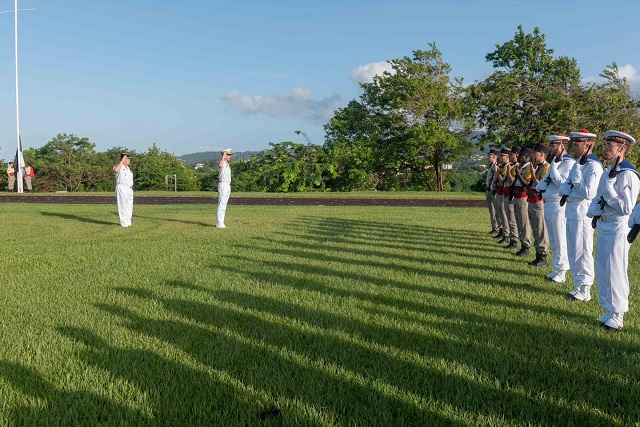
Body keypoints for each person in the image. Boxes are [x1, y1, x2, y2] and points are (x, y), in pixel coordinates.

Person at [587, 131, 639, 330]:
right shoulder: (609, 170)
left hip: (618, 227)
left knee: (616, 271)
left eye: (610, 145)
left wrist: (609, 190)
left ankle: (618, 316)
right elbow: (601, 197)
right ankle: (609, 310)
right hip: (605, 223)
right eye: (606, 144)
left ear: (622, 149)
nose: (605, 147)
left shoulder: (628, 174)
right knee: (603, 269)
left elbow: (626, 207)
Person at [560, 129, 603, 301]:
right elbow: (565, 187)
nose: (573, 147)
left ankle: (585, 289)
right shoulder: (580, 163)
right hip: (572, 210)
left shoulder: (593, 166)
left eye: (577, 144)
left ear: (588, 145)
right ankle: (578, 285)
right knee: (573, 250)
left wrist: (577, 176)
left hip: (583, 212)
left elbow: (589, 192)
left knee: (583, 251)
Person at [536, 134, 574, 282]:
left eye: (554, 145)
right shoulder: (555, 161)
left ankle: (562, 271)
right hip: (549, 202)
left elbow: (563, 185)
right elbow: (545, 182)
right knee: (553, 238)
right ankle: (557, 268)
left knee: (560, 239)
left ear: (562, 145)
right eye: (551, 145)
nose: (551, 148)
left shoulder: (569, 163)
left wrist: (554, 171)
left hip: (559, 204)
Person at [526, 144, 551, 266]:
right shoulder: (538, 167)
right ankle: (538, 253)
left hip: (538, 201)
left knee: (541, 229)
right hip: (531, 200)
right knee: (535, 228)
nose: (533, 155)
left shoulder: (546, 167)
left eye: (535, 152)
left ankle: (543, 256)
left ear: (541, 153)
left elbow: (541, 185)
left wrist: (533, 174)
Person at [511, 147, 532, 257]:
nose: (518, 157)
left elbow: (526, 183)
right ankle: (522, 244)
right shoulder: (521, 166)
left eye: (521, 155)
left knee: (524, 223)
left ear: (527, 156)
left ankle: (526, 246)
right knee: (519, 222)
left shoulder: (529, 167)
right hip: (517, 196)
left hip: (523, 198)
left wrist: (518, 174)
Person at [503, 147, 520, 249]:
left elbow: (512, 181)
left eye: (512, 154)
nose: (510, 156)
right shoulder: (512, 166)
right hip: (508, 194)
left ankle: (514, 240)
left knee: (513, 220)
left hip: (514, 196)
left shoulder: (516, 167)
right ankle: (512, 238)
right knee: (510, 219)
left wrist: (509, 171)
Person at [494, 148, 511, 244]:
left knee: (505, 215)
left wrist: (497, 172)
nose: (500, 157)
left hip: (505, 193)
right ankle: (504, 232)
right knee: (501, 214)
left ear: (507, 157)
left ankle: (506, 234)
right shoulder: (503, 166)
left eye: (502, 156)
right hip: (500, 192)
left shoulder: (507, 167)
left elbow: (502, 181)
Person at [114, 153, 134, 228]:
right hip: (121, 187)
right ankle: (123, 223)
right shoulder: (118, 166)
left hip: (129, 188)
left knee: (129, 206)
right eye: (128, 158)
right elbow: (116, 170)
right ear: (124, 159)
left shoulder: (128, 169)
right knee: (122, 205)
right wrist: (122, 161)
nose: (129, 160)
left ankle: (128, 221)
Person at [216, 148, 233, 228]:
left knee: (224, 204)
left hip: (227, 184)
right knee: (221, 204)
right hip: (223, 184)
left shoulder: (227, 164)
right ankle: (219, 223)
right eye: (228, 155)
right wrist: (223, 156)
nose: (230, 156)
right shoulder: (222, 163)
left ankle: (221, 222)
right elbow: (220, 165)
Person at [486, 148, 500, 235]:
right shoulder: (491, 165)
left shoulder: (495, 166)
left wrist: (492, 189)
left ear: (494, 156)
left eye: (489, 155)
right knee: (491, 210)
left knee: (494, 210)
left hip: (492, 190)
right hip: (489, 189)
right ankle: (494, 227)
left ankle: (496, 228)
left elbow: (494, 179)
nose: (488, 157)